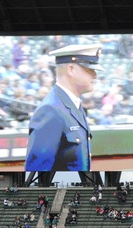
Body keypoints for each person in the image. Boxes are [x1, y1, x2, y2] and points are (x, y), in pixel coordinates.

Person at [24, 44, 103, 172]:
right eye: (89, 69)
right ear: (71, 69)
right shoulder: (51, 110)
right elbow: (38, 172)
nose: (95, 75)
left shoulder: (73, 103)